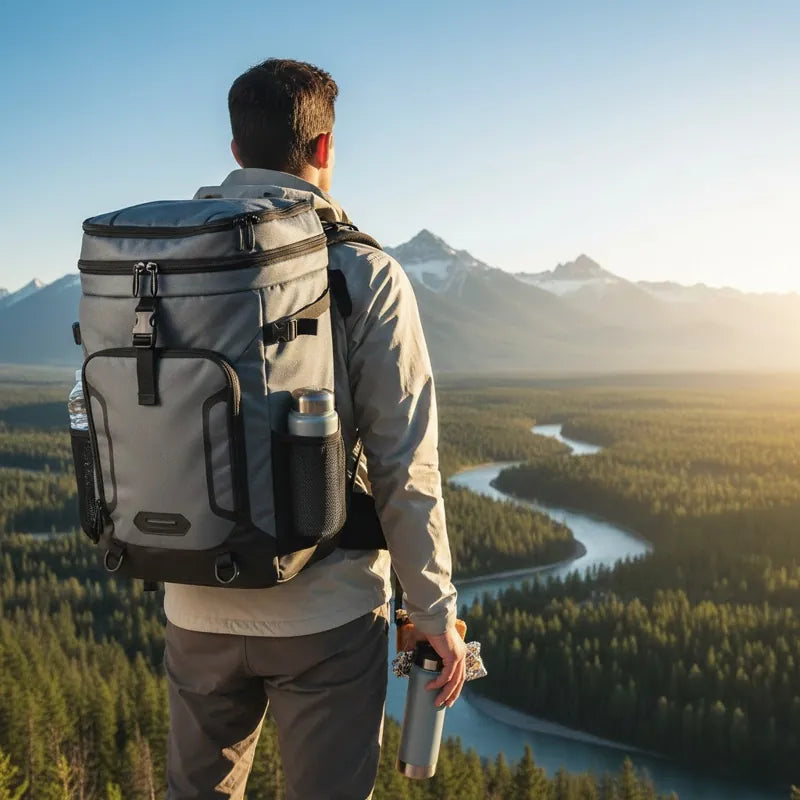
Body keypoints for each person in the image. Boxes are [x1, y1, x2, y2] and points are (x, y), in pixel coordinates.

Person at [163, 58, 466, 800]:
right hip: (326, 610)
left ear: (236, 150)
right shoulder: (364, 271)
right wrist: (433, 612)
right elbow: (404, 465)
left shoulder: (167, 261)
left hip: (196, 596)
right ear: (325, 146)